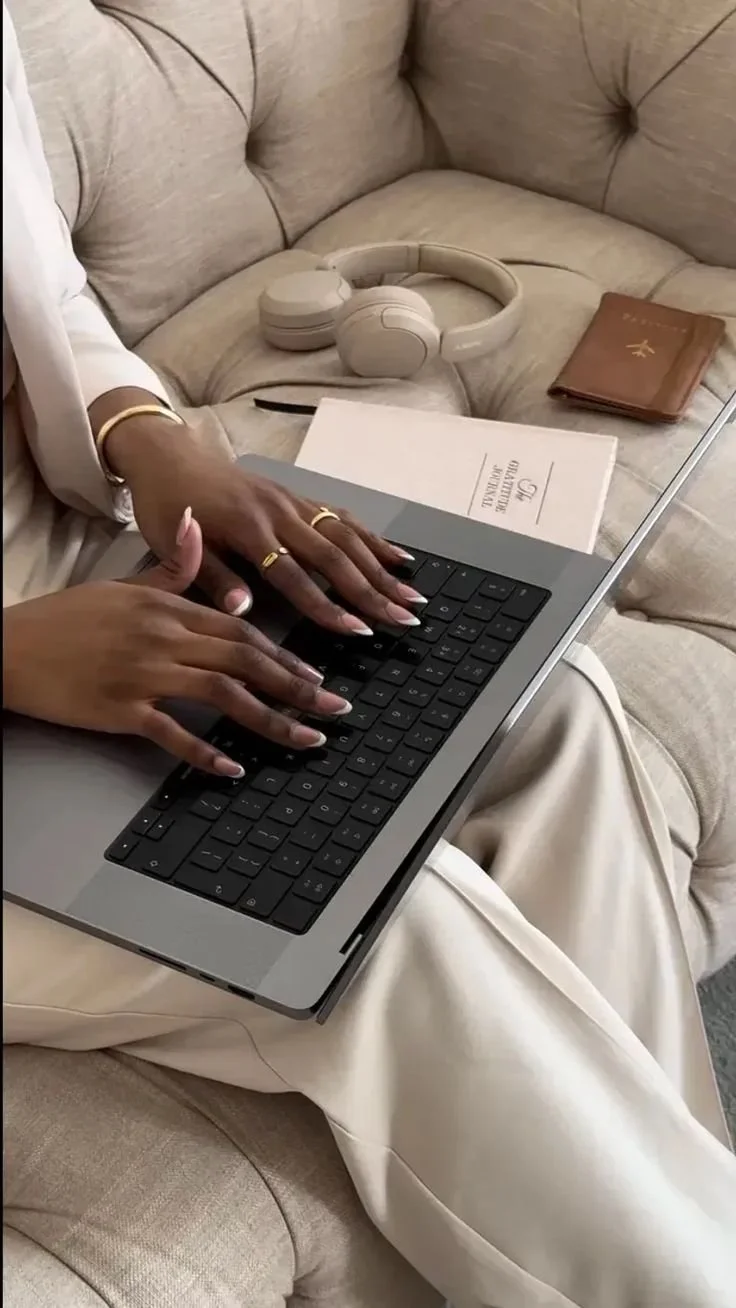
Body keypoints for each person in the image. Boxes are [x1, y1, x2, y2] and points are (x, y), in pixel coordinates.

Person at [3, 7, 735, 1305]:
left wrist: (143, 430)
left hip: (70, 558)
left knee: (553, 710)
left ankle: (668, 1213)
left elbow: (40, 286)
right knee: (383, 921)